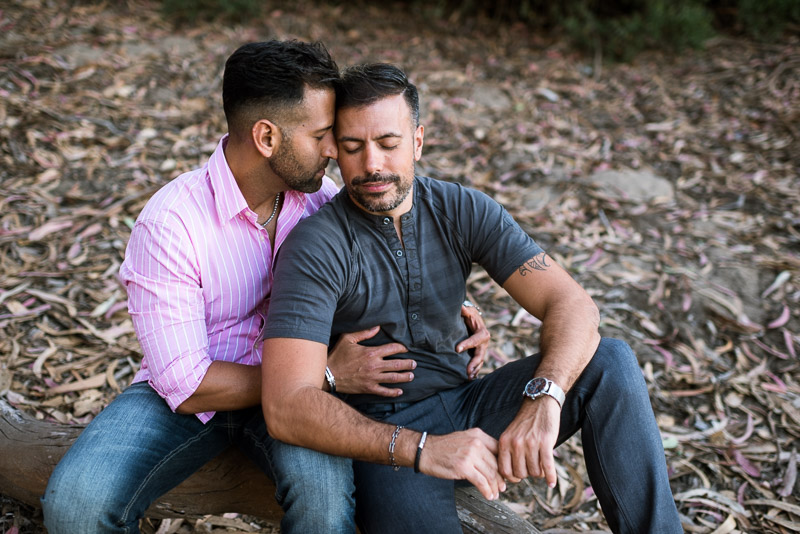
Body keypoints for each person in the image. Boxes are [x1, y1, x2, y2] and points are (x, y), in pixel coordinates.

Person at [41, 42, 489, 534]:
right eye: (322, 135)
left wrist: (449, 308)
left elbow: (385, 261)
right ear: (267, 136)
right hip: (196, 400)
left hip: (301, 397)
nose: (333, 150)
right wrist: (323, 376)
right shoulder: (171, 224)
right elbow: (184, 384)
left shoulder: (320, 198)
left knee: (324, 503)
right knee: (76, 504)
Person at [260, 63, 684, 534]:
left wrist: (545, 398)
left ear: (417, 140)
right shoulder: (315, 245)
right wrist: (421, 448)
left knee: (610, 361)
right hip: (387, 443)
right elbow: (285, 404)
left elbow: (573, 304)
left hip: (472, 404)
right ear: (335, 149)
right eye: (354, 147)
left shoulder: (461, 208)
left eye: (388, 143)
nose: (372, 164)